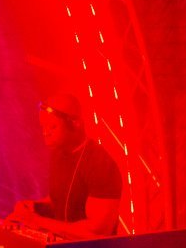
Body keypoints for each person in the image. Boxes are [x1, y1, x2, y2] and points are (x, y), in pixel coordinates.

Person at [8, 92, 122, 239]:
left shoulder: (100, 164)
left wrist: (36, 221)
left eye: (53, 127)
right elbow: (61, 201)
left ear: (75, 124)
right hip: (62, 247)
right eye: (43, 127)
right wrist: (34, 207)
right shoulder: (59, 154)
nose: (46, 133)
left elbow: (97, 231)